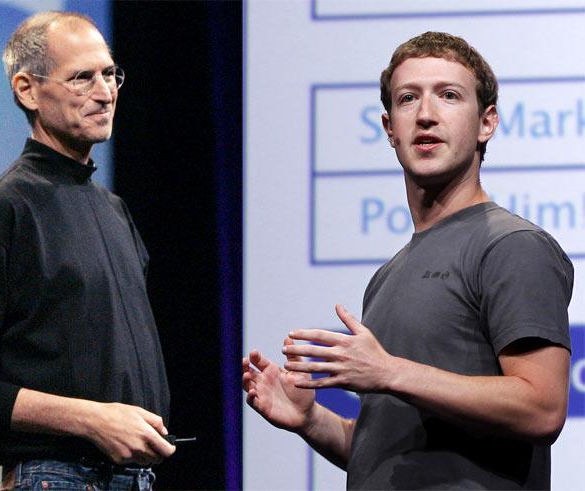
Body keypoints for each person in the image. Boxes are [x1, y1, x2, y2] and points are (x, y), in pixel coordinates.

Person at [243, 31, 573, 490]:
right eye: (408, 98)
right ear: (389, 129)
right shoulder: (388, 275)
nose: (425, 115)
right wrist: (312, 420)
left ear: (487, 123)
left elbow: (543, 408)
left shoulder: (512, 246)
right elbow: (393, 451)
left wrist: (390, 371)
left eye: (449, 96)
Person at [0, 11, 175, 490]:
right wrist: (90, 419)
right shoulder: (4, 207)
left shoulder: (113, 210)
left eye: (109, 73)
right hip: (58, 478)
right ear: (27, 90)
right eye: (82, 78)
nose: (105, 92)